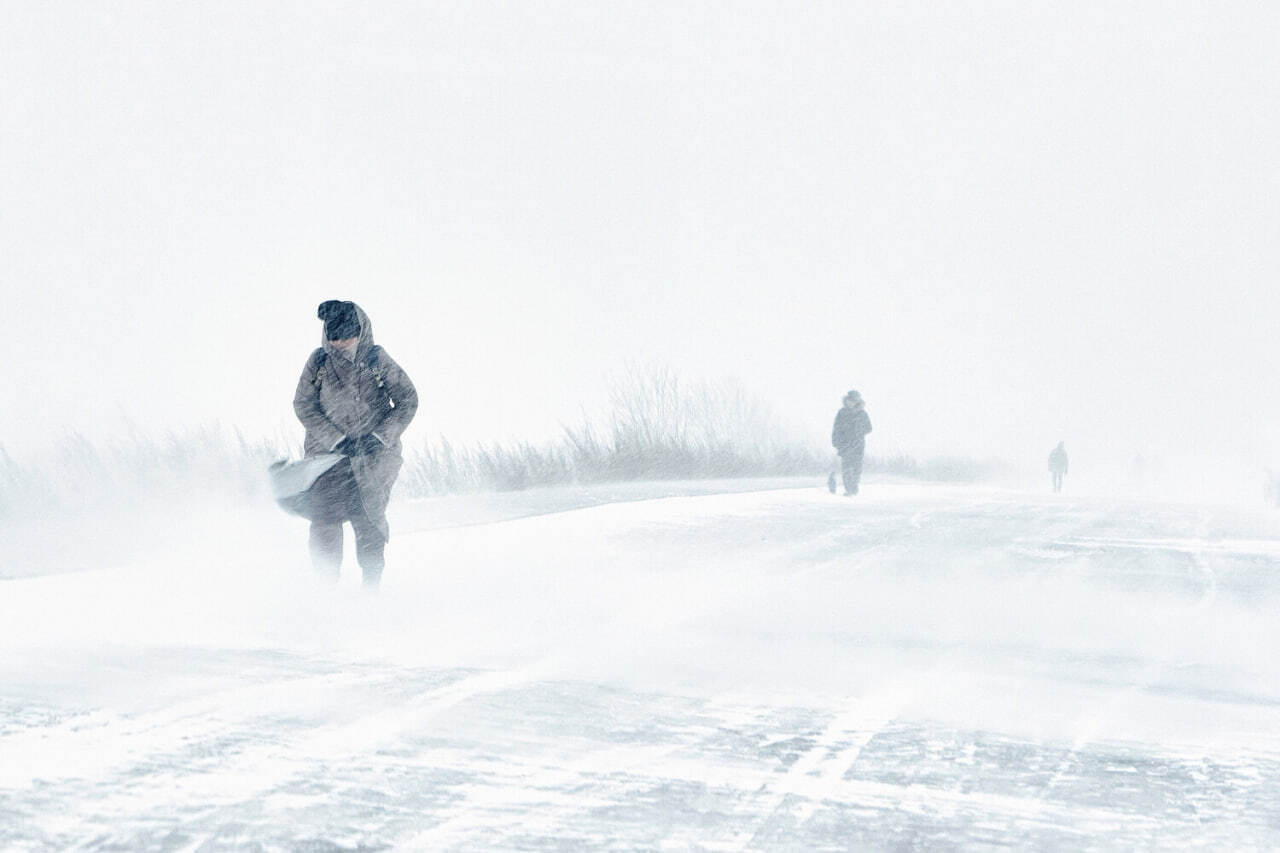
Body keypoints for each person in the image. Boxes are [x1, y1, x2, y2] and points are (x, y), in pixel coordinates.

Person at [293, 300, 418, 587]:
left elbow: (408, 400)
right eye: (334, 337)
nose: (340, 343)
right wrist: (335, 440)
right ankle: (325, 588)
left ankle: (371, 588)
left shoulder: (377, 359)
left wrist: (380, 437)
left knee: (369, 521)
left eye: (346, 336)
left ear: (359, 332)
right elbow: (303, 404)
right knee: (325, 522)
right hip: (327, 460)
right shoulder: (318, 362)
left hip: (373, 460)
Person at [831, 390, 872, 496]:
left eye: (854, 400)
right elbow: (836, 428)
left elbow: (869, 428)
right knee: (846, 468)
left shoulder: (862, 414)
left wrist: (857, 430)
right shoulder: (842, 412)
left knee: (856, 468)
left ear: (858, 401)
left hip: (858, 445)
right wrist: (835, 441)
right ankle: (849, 490)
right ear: (847, 400)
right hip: (844, 445)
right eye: (850, 400)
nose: (851, 402)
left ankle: (854, 487)